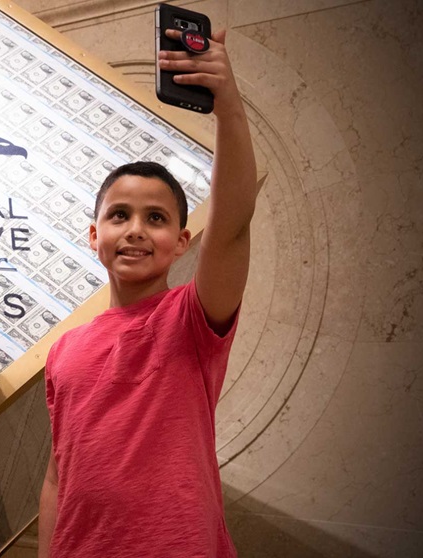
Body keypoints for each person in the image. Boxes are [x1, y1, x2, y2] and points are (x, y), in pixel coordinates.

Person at [38, 27, 257, 557]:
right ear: (95, 236)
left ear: (181, 242)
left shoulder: (191, 319)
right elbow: (55, 476)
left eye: (155, 218)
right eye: (119, 215)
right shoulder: (65, 350)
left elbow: (230, 224)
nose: (136, 229)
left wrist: (228, 108)